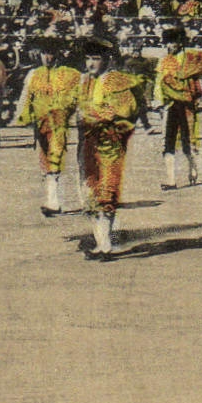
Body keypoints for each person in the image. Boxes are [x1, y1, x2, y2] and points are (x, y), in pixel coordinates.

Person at [75, 36, 144, 260]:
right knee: (89, 192)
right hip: (88, 141)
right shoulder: (86, 82)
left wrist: (92, 115)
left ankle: (105, 245)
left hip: (109, 142)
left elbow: (124, 112)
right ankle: (101, 243)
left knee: (106, 191)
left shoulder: (116, 82)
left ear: (107, 59)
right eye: (88, 59)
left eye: (95, 58)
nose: (90, 63)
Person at [14, 35, 81, 215]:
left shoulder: (70, 74)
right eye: (44, 53)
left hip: (58, 122)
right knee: (45, 159)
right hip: (40, 121)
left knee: (55, 158)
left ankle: (54, 202)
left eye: (50, 53)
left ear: (57, 54)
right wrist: (23, 117)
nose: (47, 57)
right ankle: (53, 200)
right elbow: (26, 97)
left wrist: (69, 112)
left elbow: (77, 96)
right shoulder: (34, 74)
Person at [155, 26, 202, 190]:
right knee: (168, 142)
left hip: (187, 104)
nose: (170, 46)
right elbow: (159, 82)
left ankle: (194, 171)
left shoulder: (190, 59)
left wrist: (199, 96)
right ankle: (171, 180)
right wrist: (159, 101)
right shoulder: (165, 60)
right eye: (168, 42)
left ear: (180, 43)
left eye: (173, 42)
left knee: (189, 140)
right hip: (170, 104)